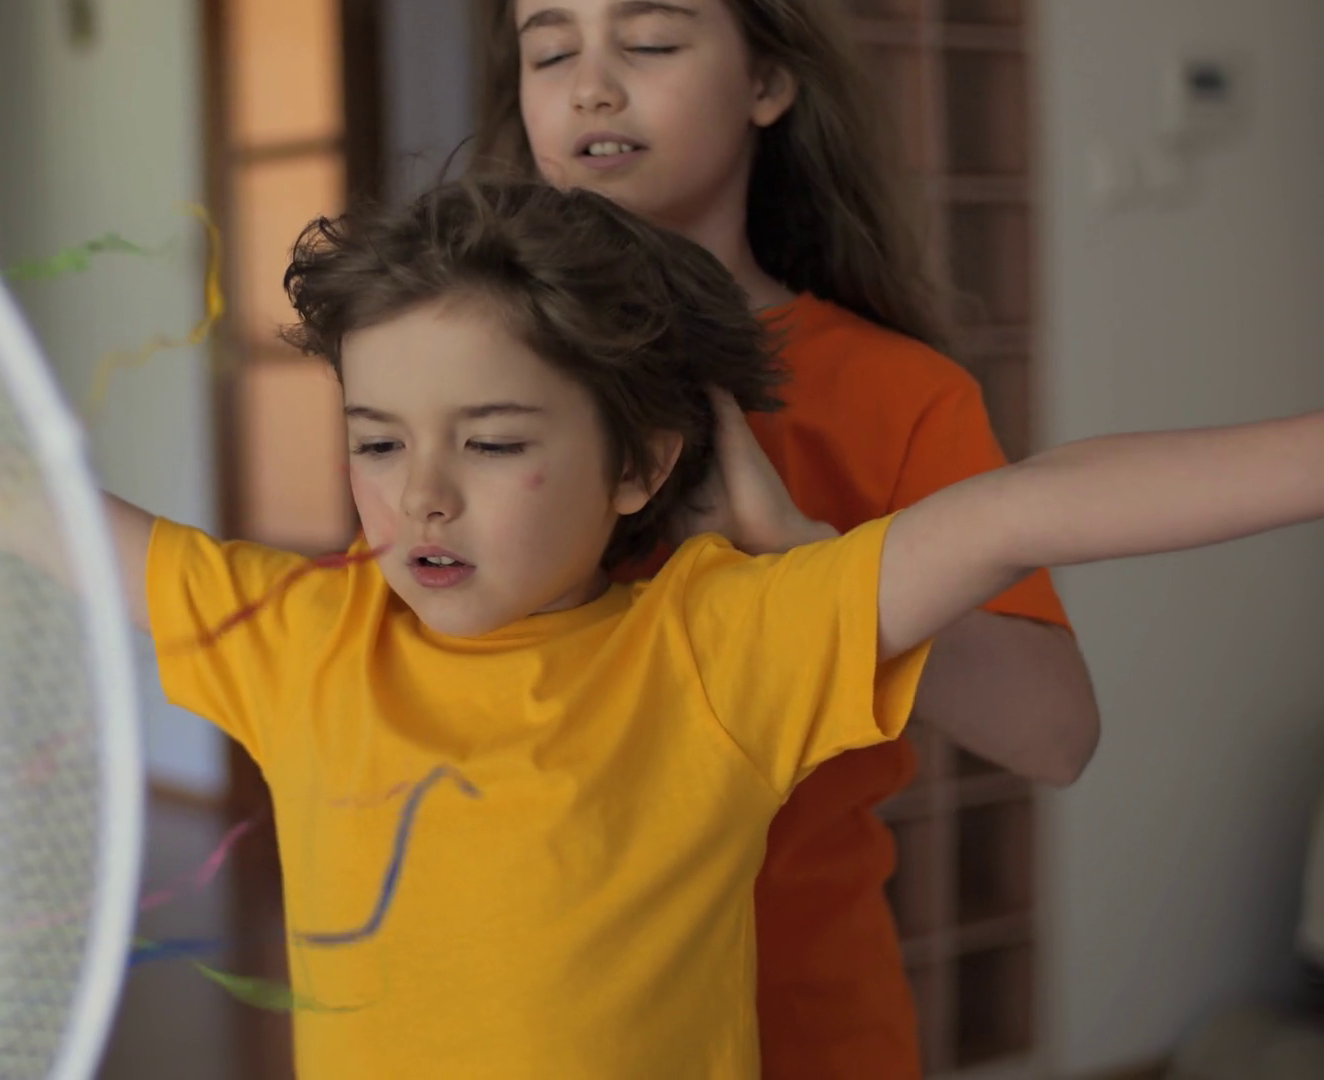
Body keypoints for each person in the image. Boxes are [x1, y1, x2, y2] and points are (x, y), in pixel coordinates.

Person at [94, 178, 1323, 1079]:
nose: (422, 496)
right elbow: (36, 508)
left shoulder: (714, 649)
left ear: (639, 467)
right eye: (376, 443)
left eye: (493, 442)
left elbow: (1015, 514)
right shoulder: (300, 638)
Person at [472, 2, 1099, 1072]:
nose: (590, 86)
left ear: (766, 83)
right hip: (521, 1015)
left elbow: (1056, 734)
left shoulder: (897, 391)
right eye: (550, 50)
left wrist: (814, 565)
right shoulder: (462, 366)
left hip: (804, 1022)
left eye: (650, 42)